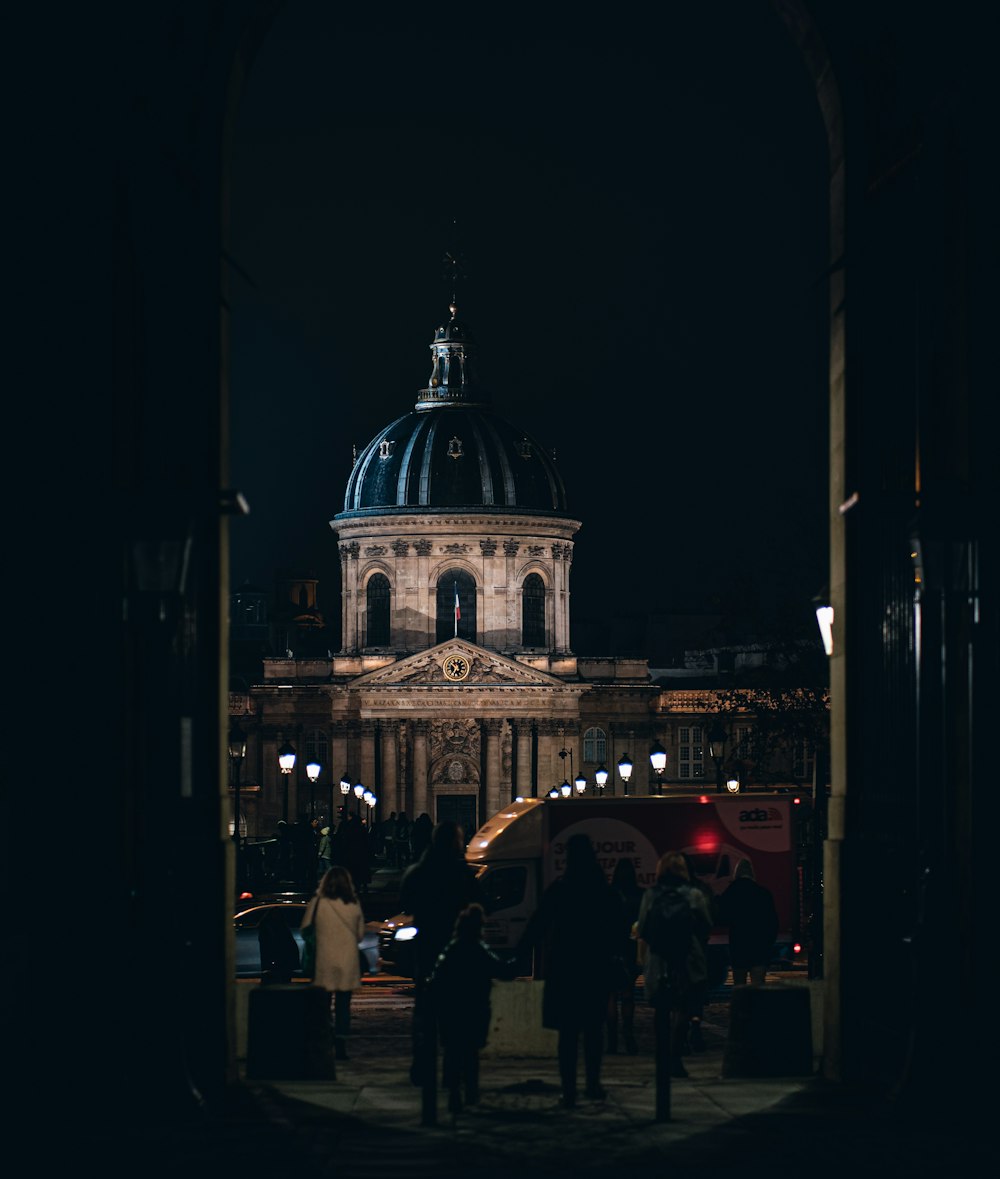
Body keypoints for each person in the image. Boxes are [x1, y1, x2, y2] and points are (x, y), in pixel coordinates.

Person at [519, 832, 623, 1108]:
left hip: (565, 968)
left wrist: (517, 955)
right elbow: (619, 927)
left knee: (567, 1036)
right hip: (595, 968)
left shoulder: (560, 888)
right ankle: (593, 1084)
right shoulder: (603, 889)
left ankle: (569, 1090)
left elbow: (537, 925)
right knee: (593, 1031)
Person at [399, 819, 488, 1086]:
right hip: (458, 954)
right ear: (456, 843)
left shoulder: (418, 872)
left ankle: (422, 1067)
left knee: (425, 1015)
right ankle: (457, 1076)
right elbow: (481, 905)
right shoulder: (462, 874)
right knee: (460, 1017)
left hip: (426, 951)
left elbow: (406, 903)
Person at [426, 902, 519, 1115]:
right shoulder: (479, 950)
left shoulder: (452, 949)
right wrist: (516, 960)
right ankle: (470, 1091)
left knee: (452, 1051)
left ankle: (453, 1092)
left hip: (451, 1009)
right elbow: (502, 971)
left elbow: (437, 980)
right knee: (470, 1053)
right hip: (475, 1008)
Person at [636, 850, 713, 1078]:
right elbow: (706, 924)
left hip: (659, 957)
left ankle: (661, 1056)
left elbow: (642, 928)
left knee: (661, 1009)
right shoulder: (694, 894)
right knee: (683, 1008)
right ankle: (676, 1057)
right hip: (687, 957)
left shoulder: (651, 895)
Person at [301, 865, 367, 1060]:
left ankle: (325, 1037)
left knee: (323, 1003)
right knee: (343, 1005)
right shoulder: (353, 904)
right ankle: (341, 1043)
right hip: (347, 961)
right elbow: (360, 935)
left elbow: (305, 929)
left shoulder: (318, 903)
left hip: (324, 959)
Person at [717, 857, 779, 987]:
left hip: (739, 945)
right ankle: (756, 1007)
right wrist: (768, 943)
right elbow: (772, 923)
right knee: (758, 985)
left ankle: (741, 1007)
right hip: (759, 946)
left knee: (739, 985)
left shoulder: (731, 892)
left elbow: (721, 917)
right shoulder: (763, 893)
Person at [606, 856, 644, 1055]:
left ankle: (612, 1040)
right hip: (631, 948)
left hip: (610, 948)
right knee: (628, 994)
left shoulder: (607, 894)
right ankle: (628, 1036)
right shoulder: (639, 895)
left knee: (610, 995)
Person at [682, 853, 717, 1053]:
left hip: (670, 949)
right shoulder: (702, 890)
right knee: (695, 988)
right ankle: (695, 1026)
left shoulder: (662, 892)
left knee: (676, 992)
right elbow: (709, 919)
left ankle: (679, 1033)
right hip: (696, 946)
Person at [258, 907, 300, 985]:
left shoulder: (267, 927)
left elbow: (266, 947)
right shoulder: (280, 927)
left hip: (277, 962)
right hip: (282, 962)